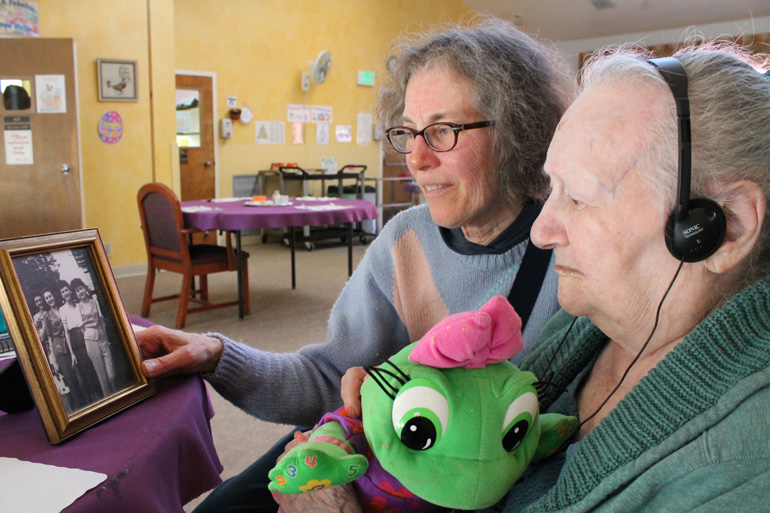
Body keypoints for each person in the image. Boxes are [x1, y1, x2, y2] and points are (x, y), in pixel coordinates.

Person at [283, 41, 770, 512]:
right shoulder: (594, 323)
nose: (540, 231)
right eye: (552, 188)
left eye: (579, 196)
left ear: (724, 226)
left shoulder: (745, 464)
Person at [136, 17, 572, 512]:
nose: (416, 157)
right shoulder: (405, 239)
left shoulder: (572, 254)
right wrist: (215, 354)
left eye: (443, 130)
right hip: (374, 456)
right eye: (408, 132)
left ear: (519, 130)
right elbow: (328, 377)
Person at [58, 280, 102, 403]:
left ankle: (101, 394)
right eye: (63, 292)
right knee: (84, 370)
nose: (65, 293)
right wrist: (72, 353)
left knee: (92, 366)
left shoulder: (78, 305)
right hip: (75, 341)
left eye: (66, 290)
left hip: (85, 337)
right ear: (61, 294)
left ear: (70, 291)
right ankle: (93, 399)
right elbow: (66, 332)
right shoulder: (62, 310)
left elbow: (84, 325)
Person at [73, 278, 118, 396]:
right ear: (76, 294)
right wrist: (89, 337)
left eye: (81, 288)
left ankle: (118, 395)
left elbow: (101, 321)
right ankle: (110, 400)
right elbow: (81, 328)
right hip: (91, 340)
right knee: (102, 376)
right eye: (77, 291)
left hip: (103, 338)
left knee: (112, 374)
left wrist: (106, 339)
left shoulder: (94, 302)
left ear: (84, 288)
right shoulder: (78, 308)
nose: (80, 292)